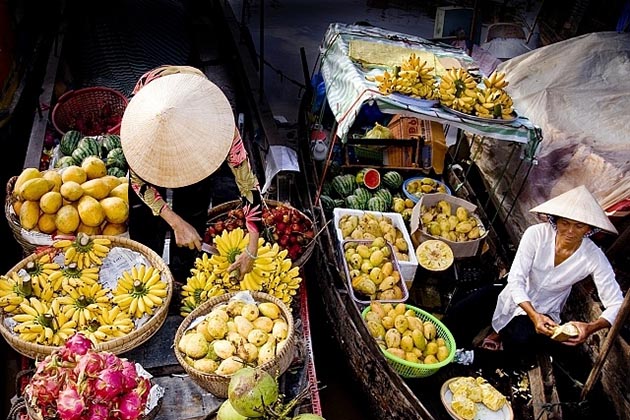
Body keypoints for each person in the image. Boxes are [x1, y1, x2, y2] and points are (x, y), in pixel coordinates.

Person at [448, 185, 624, 367]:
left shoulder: (593, 257)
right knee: (461, 311)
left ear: (589, 229)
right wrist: (532, 314)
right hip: (511, 295)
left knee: (520, 343)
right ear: (555, 221)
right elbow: (516, 279)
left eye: (579, 226)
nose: (570, 231)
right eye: (565, 223)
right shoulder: (537, 234)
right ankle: (460, 342)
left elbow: (617, 303)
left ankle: (473, 357)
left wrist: (591, 327)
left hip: (545, 311)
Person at [119, 65, 263, 282]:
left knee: (193, 206)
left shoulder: (218, 125)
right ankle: (147, 271)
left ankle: (182, 276)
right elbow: (141, 185)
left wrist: (251, 249)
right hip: (153, 125)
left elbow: (248, 185)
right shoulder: (140, 127)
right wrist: (175, 223)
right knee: (144, 224)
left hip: (193, 111)